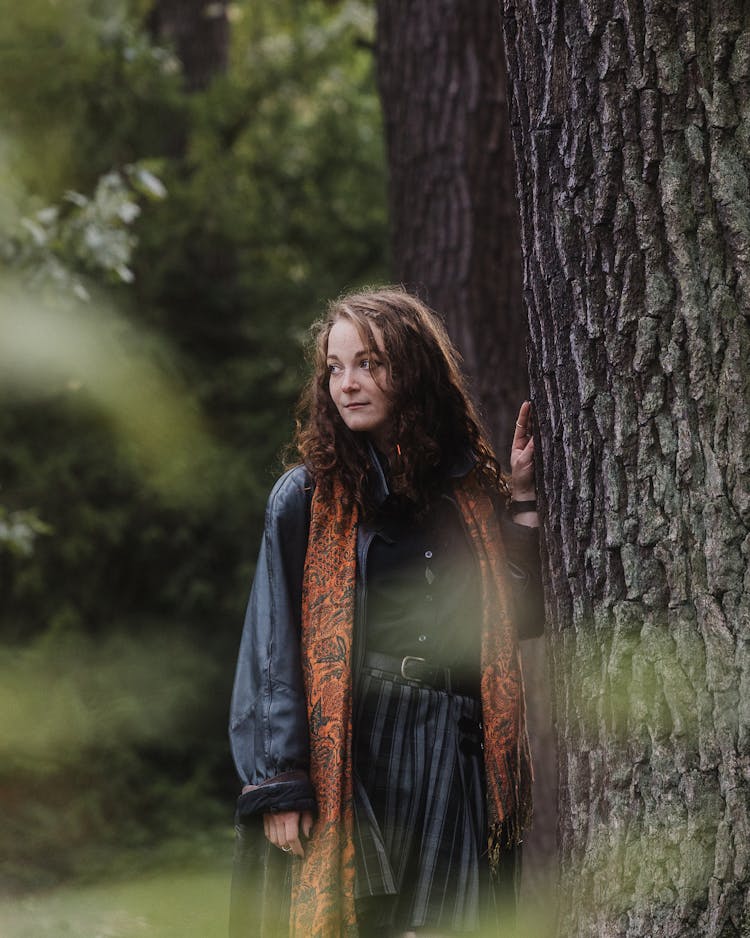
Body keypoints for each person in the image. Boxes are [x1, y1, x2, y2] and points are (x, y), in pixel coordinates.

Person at [228, 287, 543, 938]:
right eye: (336, 367)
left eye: (369, 363)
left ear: (413, 368)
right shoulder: (305, 498)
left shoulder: (464, 489)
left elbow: (515, 617)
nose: (348, 383)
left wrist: (522, 502)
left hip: (453, 737)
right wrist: (279, 782)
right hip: (355, 742)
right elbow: (272, 644)